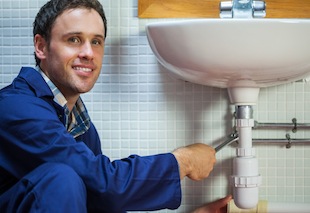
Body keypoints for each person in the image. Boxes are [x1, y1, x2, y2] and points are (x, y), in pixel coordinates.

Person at [0, 0, 230, 212]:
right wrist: (183, 161)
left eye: (96, 41)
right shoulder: (15, 108)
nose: (88, 53)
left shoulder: (80, 126)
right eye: (74, 39)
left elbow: (104, 200)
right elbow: (106, 183)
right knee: (63, 179)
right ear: (41, 46)